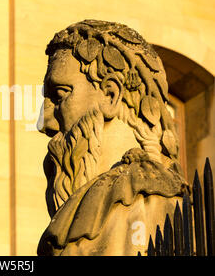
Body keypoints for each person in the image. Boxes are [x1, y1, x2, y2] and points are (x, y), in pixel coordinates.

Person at [36, 20, 188, 255]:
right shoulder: (90, 208)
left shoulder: (147, 203)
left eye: (59, 95)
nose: (45, 123)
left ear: (110, 95)